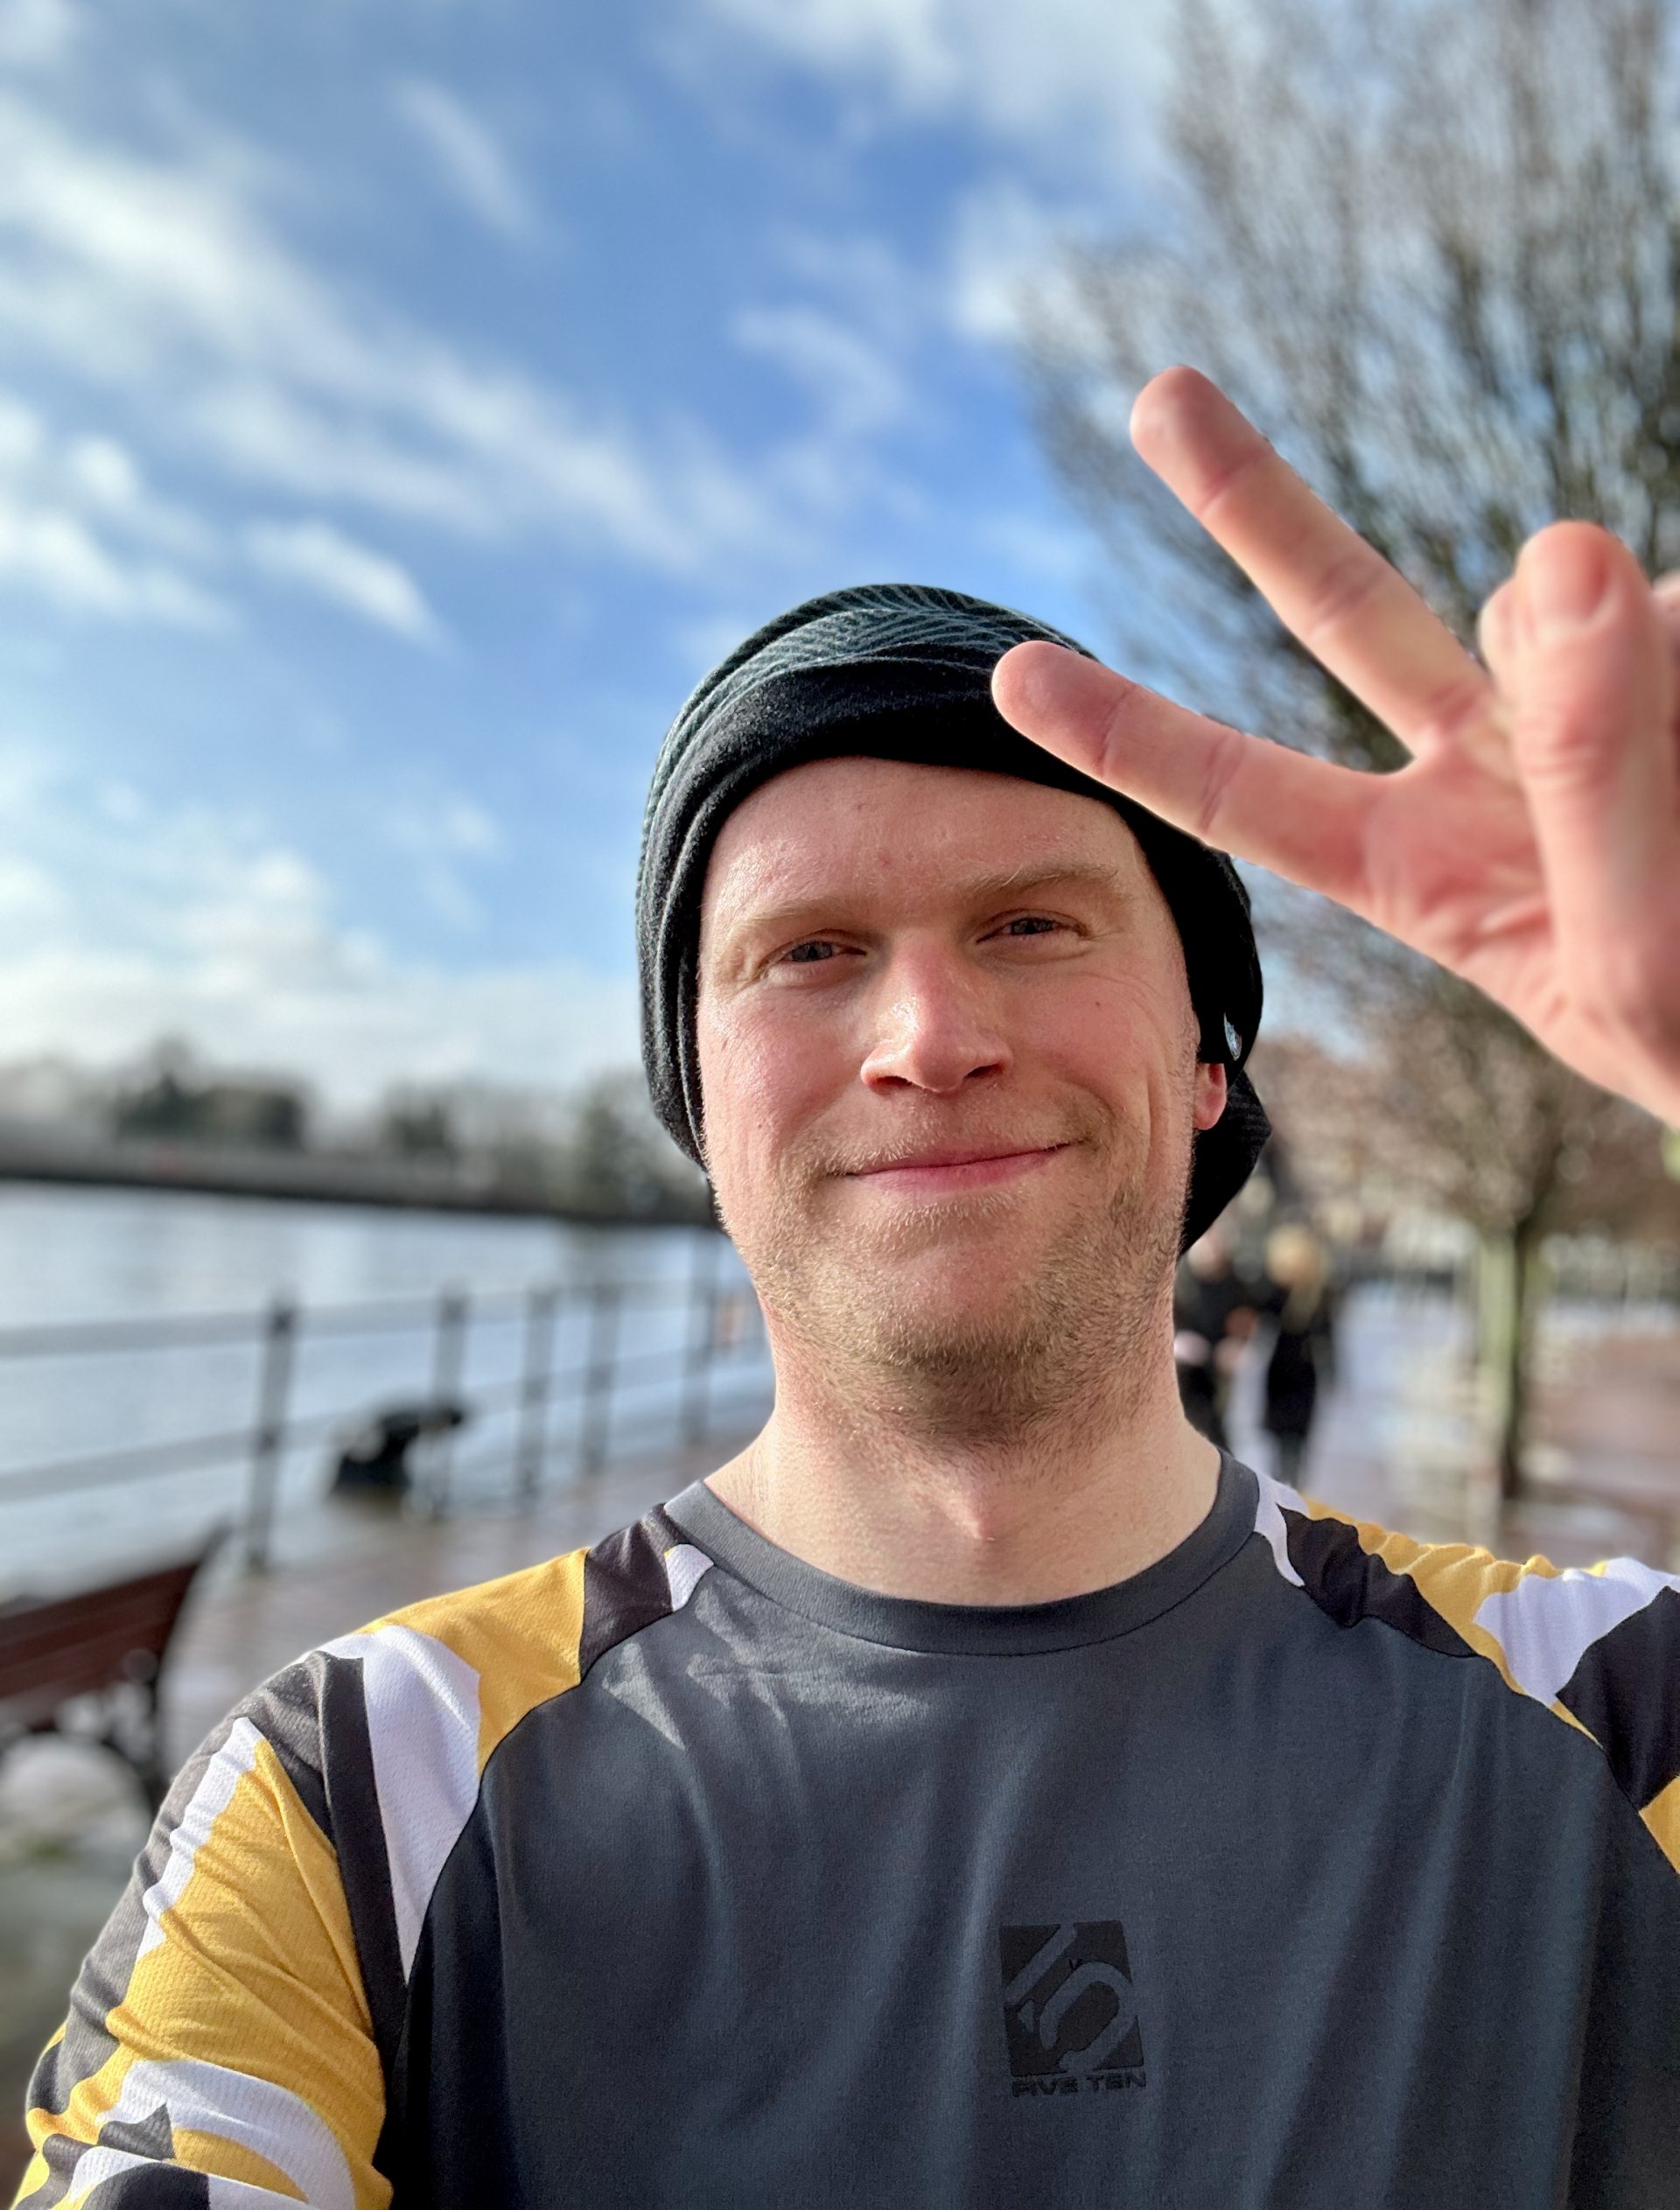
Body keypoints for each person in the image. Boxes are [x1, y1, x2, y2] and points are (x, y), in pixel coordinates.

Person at [16, 370, 1680, 2207]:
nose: (928, 1038)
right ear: (701, 1107)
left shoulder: (1617, 1715)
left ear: (1210, 1060)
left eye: (1031, 924)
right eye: (809, 952)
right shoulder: (359, 1795)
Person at [1257, 1221, 1336, 1484]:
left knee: (1297, 1442)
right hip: (1279, 1374)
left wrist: (1333, 1372)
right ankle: (1281, 1484)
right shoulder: (1273, 1292)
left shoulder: (1318, 1296)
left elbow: (1328, 1336)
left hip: (1303, 1376)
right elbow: (1259, 1320)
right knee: (1278, 1441)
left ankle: (1294, 1484)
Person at [1172, 1220, 1256, 1446]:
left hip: (1218, 1363)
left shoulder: (1235, 1282)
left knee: (1215, 1421)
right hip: (1184, 1365)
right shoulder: (1181, 1278)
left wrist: (1237, 1343)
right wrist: (1178, 1341)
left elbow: (1245, 1317)